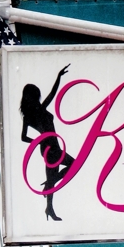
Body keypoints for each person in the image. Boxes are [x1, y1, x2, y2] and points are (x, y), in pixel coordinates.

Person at [20, 65, 75, 221]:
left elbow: (52, 93)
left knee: (54, 174)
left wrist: (58, 76)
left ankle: (49, 208)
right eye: (35, 96)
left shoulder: (40, 108)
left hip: (52, 145)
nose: (38, 99)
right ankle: (50, 184)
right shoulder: (32, 115)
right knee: (74, 164)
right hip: (49, 148)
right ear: (29, 97)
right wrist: (38, 141)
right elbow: (23, 137)